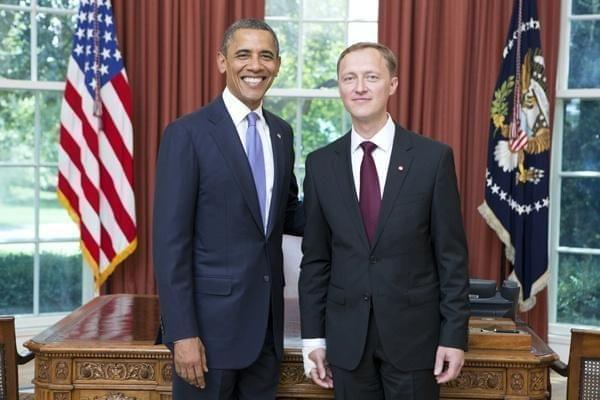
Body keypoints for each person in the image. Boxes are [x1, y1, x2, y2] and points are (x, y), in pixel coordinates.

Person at [298, 42, 470, 399]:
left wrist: (454, 337)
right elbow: (315, 260)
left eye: (371, 77)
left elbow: (451, 258)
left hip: (415, 342)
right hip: (346, 345)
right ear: (341, 87)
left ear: (392, 84)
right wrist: (313, 338)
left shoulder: (432, 159)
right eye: (350, 78)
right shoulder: (319, 165)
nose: (360, 87)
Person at [153, 19, 304, 400]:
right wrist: (182, 332)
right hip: (207, 335)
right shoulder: (187, 133)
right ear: (222, 62)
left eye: (265, 56)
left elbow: (285, 213)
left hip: (267, 332)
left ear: (278, 65)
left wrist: (354, 209)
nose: (255, 65)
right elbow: (170, 244)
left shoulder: (282, 133)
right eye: (243, 55)